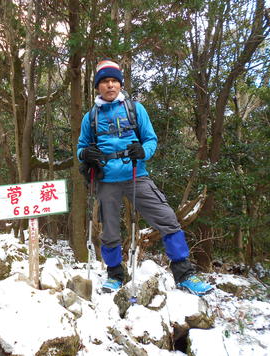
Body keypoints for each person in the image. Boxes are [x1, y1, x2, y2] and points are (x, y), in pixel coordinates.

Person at [77, 59, 213, 296]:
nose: (110, 86)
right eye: (105, 82)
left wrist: (143, 151)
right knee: (109, 231)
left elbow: (150, 139)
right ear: (98, 87)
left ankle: (184, 274)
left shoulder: (135, 109)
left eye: (114, 81)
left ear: (120, 84)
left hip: (136, 174)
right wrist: (85, 153)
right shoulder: (90, 117)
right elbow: (80, 148)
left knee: (167, 219)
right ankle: (114, 275)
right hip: (106, 180)